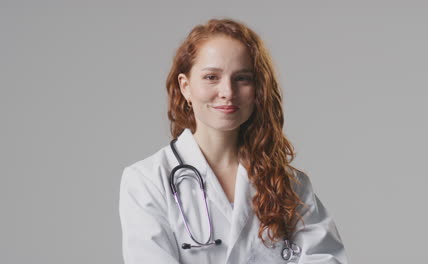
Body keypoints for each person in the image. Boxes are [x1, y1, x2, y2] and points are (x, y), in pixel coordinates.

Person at [119, 18, 348, 264]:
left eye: (242, 78)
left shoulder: (290, 184)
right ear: (185, 87)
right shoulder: (147, 180)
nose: (227, 91)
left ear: (257, 89)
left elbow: (325, 258)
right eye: (211, 77)